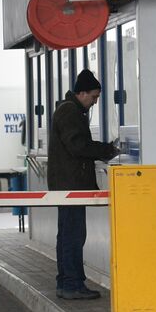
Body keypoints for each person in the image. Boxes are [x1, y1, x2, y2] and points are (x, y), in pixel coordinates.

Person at [48, 69, 120, 300]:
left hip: (68, 184)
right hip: (70, 186)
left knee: (68, 233)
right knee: (73, 234)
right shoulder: (69, 112)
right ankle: (71, 284)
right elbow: (78, 146)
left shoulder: (70, 110)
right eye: (94, 97)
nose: (95, 102)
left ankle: (67, 281)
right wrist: (107, 150)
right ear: (82, 93)